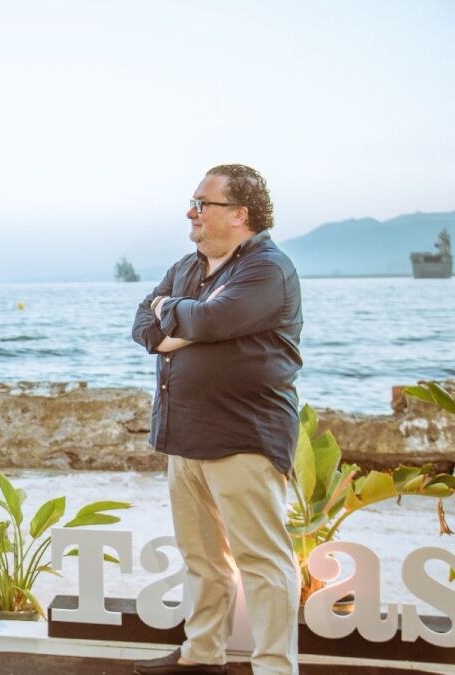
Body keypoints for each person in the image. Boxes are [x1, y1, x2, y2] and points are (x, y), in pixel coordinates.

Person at [130, 165, 303, 675]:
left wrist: (175, 312)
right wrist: (179, 318)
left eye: (202, 203)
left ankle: (274, 668)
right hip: (185, 434)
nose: (191, 212)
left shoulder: (267, 269)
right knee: (202, 558)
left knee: (263, 562)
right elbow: (142, 324)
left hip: (244, 436)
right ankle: (202, 654)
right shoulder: (187, 266)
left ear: (239, 213)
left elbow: (211, 320)